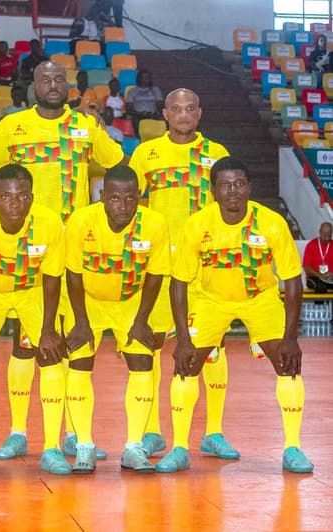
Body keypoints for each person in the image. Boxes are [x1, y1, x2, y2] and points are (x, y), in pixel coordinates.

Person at [0, 60, 124, 462]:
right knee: (26, 344)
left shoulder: (85, 126)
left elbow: (118, 166)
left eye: (60, 79)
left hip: (73, 245)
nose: (54, 84)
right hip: (25, 246)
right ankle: (19, 432)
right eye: (45, 79)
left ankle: (79, 435)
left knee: (74, 345)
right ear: (33, 86)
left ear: (70, 86)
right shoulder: (11, 127)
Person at [156, 156, 314, 474]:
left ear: (249, 187)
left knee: (288, 365)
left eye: (239, 184)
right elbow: (180, 283)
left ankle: (293, 447)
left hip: (260, 299)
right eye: (225, 185)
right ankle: (180, 447)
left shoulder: (271, 223)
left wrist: (291, 338)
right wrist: (183, 338)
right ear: (213, 191)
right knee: (185, 365)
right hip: (211, 300)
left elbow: (293, 281)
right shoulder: (197, 225)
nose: (233, 191)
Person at [128, 88, 235, 461]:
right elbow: (130, 205)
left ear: (200, 113)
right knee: (153, 343)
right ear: (165, 114)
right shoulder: (146, 154)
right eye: (176, 108)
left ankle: (214, 432)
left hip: (205, 265)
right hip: (158, 265)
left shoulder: (217, 154)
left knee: (213, 347)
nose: (184, 114)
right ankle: (153, 431)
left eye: (190, 108)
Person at [0, 164, 67, 475]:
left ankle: (51, 448)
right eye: (6, 196)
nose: (14, 203)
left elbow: (52, 279)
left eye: (21, 197)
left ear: (32, 198)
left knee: (50, 357)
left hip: (31, 292)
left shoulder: (48, 223)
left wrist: (47, 330)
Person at [63, 165, 170, 473]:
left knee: (142, 364)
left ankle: (133, 447)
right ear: (102, 197)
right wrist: (81, 322)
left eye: (130, 198)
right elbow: (73, 275)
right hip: (88, 303)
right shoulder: (81, 221)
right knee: (80, 364)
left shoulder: (154, 224)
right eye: (114, 198)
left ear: (140, 196)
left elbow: (155, 275)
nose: (123, 206)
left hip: (131, 303)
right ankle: (84, 445)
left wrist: (141, 320)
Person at [303, 222, 333, 292]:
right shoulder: (311, 245)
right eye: (324, 236)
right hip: (315, 278)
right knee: (320, 287)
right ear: (320, 232)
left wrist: (332, 274)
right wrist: (320, 275)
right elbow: (307, 268)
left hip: (331, 278)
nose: (327, 239)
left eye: (329, 236)